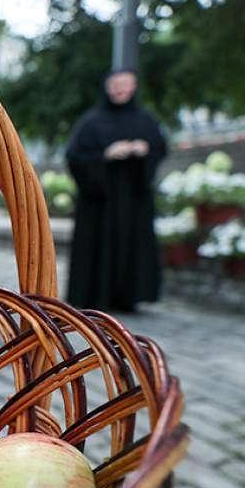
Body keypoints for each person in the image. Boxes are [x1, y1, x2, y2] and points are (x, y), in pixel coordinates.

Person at [65, 69, 166, 312]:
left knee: (132, 245)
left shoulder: (146, 119)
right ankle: (95, 297)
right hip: (101, 202)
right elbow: (74, 156)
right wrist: (106, 155)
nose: (120, 90)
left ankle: (130, 297)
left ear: (133, 88)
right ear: (107, 88)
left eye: (125, 85)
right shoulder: (91, 122)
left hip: (134, 199)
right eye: (115, 85)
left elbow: (160, 149)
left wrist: (145, 149)